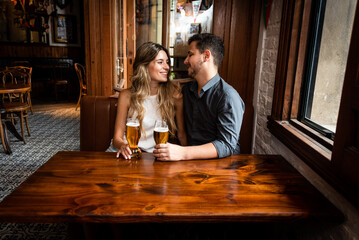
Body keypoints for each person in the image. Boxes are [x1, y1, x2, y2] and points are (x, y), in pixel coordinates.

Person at [153, 33, 244, 161]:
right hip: (190, 164)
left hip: (222, 167)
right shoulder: (187, 90)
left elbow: (226, 145)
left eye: (190, 54)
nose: (185, 60)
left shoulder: (228, 96)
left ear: (206, 56)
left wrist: (183, 153)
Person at [111, 42, 187, 159]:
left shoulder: (175, 95)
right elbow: (117, 138)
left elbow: (181, 134)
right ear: (145, 66)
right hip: (127, 154)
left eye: (167, 62)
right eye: (160, 62)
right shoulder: (126, 96)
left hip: (154, 156)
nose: (166, 67)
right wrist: (122, 146)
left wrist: (187, 158)